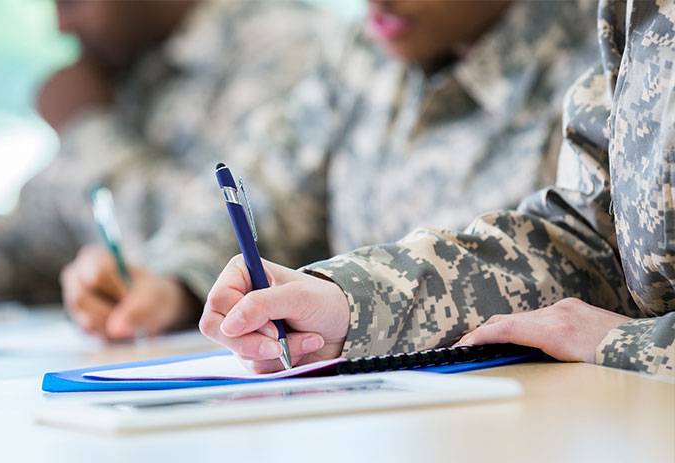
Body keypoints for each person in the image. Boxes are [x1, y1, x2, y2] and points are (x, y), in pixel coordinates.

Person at [60, 0, 599, 340]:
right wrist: (173, 281)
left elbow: (580, 267)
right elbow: (263, 195)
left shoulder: (600, 57)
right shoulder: (362, 53)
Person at [199, 0, 674, 377]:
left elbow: (600, 311)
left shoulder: (570, 54)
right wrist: (351, 302)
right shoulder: (630, 13)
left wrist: (628, 344)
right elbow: (589, 244)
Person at [0, 0, 330, 318]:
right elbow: (15, 251)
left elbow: (231, 237)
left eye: (71, 0)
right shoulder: (129, 65)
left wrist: (87, 129)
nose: (60, 26)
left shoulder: (286, 48)